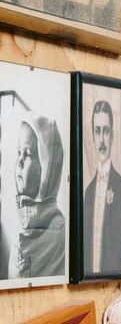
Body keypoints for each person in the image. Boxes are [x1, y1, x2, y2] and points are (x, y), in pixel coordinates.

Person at [81, 99, 121, 276]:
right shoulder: (88, 193)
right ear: (92, 136)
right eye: (97, 131)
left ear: (112, 135)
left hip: (114, 287)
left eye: (105, 131)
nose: (101, 139)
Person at [13, 116, 65, 280]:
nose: (19, 162)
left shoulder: (59, 234)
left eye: (27, 154)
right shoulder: (20, 226)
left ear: (46, 167)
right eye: (19, 153)